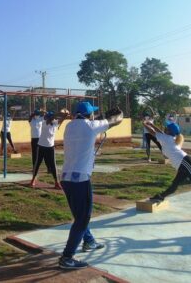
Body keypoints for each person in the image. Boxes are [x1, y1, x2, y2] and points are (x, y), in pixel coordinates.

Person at [58, 102, 123, 270]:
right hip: (80, 179)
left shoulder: (70, 126)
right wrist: (117, 114)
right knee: (82, 218)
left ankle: (89, 241)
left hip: (66, 178)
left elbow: (90, 124)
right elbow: (118, 120)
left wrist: (101, 118)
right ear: (89, 115)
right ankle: (67, 257)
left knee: (79, 215)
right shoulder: (91, 126)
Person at [144, 120, 191, 222]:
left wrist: (145, 123)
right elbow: (159, 132)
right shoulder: (169, 138)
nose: (165, 128)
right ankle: (160, 197)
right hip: (182, 165)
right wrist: (152, 124)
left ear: (170, 131)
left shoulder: (166, 138)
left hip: (187, 163)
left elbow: (152, 132)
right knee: (174, 185)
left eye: (167, 127)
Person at [30, 111, 68, 189]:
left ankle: (56, 183)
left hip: (50, 147)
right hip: (41, 146)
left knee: (53, 165)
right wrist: (58, 113)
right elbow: (50, 119)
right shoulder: (44, 123)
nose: (52, 118)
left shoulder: (55, 123)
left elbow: (61, 120)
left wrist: (65, 114)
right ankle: (33, 180)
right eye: (50, 117)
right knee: (38, 164)